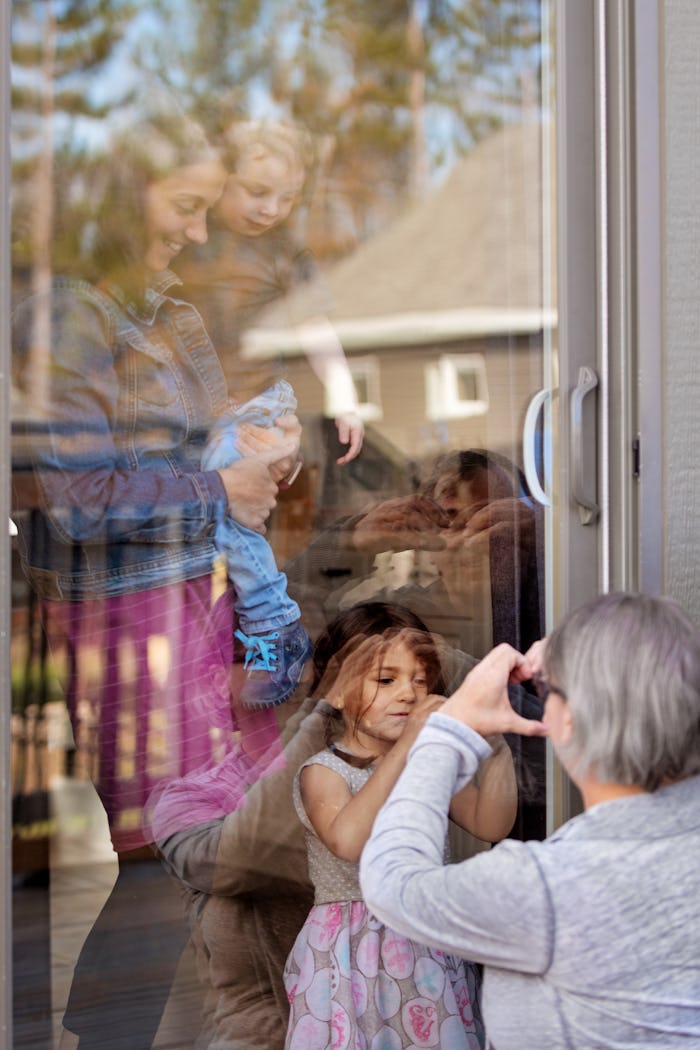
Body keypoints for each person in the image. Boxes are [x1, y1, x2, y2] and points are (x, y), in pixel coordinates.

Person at [12, 107, 301, 1049]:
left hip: (202, 604)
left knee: (217, 859)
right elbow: (81, 501)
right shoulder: (63, 320)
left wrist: (260, 458)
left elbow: (215, 445)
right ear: (117, 195)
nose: (198, 231)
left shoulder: (170, 312)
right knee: (171, 864)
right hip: (130, 625)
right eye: (184, 206)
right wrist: (219, 485)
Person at [361, 592, 700, 1049]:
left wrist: (453, 728)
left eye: (547, 693)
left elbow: (392, 883)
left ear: (570, 721)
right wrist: (575, 658)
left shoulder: (548, 887)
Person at [152, 601, 471, 1050]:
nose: (286, 669)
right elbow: (237, 861)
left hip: (405, 1009)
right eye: (261, 654)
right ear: (213, 681)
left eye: (295, 652)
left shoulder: (393, 752)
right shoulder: (187, 802)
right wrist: (322, 712)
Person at [175, 118, 365, 705]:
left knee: (231, 512)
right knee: (204, 527)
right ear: (220, 181)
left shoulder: (284, 252)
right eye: (258, 192)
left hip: (256, 405)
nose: (271, 209)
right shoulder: (191, 242)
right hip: (200, 413)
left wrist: (344, 393)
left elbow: (316, 326)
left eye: (286, 198)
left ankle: (272, 626)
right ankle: (231, 641)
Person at [283, 608, 521, 1050]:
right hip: (353, 955)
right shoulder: (323, 771)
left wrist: (498, 745)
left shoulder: (426, 763)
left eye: (420, 679)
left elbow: (491, 823)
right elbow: (348, 841)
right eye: (386, 680)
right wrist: (411, 744)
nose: (409, 694)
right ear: (336, 693)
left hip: (425, 944)